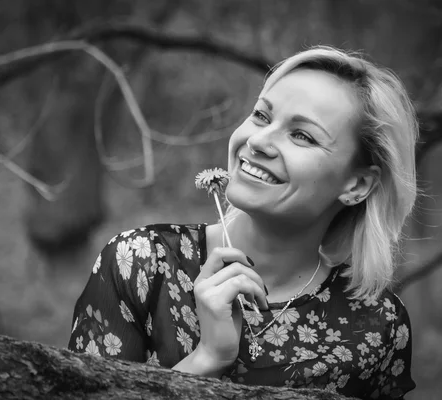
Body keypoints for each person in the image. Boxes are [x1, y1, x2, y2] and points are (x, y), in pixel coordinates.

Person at [68, 45, 418, 399]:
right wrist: (207, 359)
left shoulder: (377, 325)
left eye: (302, 135)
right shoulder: (140, 263)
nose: (259, 141)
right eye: (262, 116)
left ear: (356, 185)